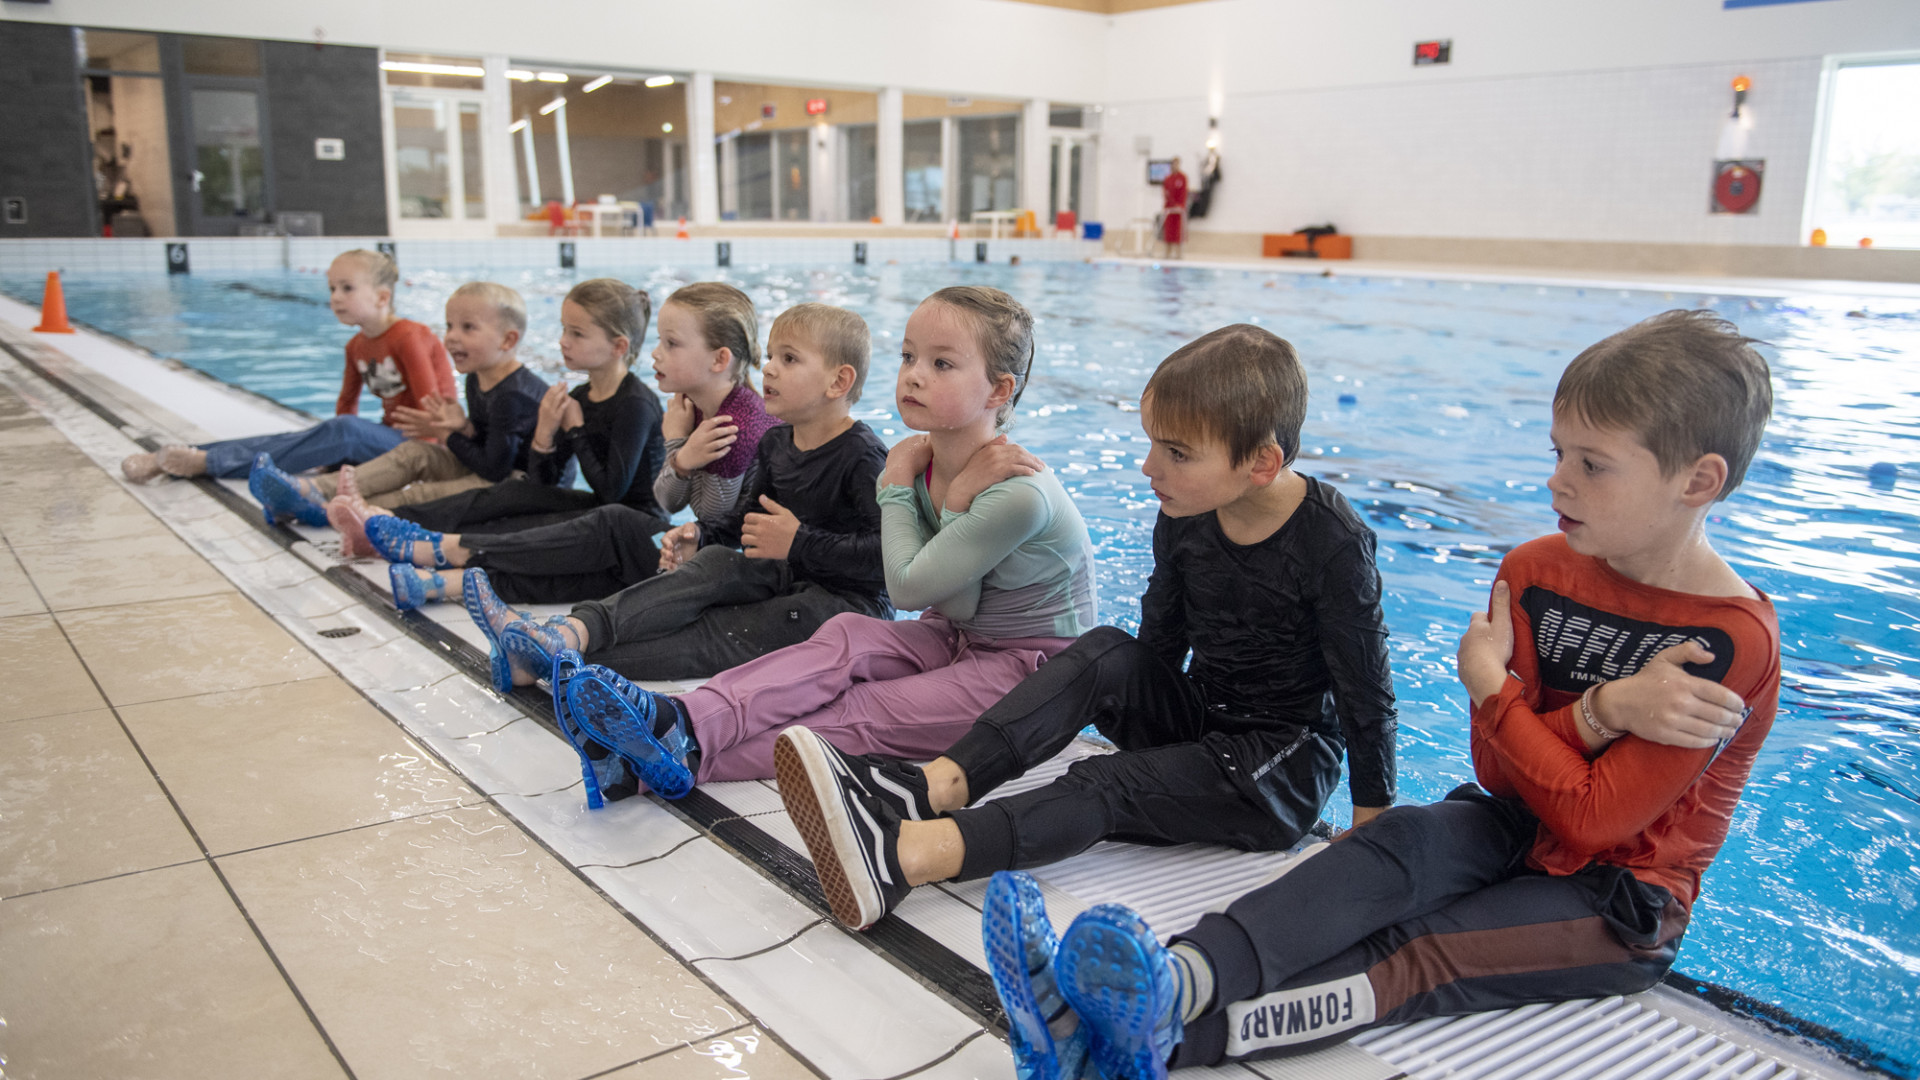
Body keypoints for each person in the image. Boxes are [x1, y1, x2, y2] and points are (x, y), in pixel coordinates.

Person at [978, 309, 1779, 1080]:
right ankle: (1168, 979)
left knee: (1418, 950)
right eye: (1559, 451)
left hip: (1617, 898)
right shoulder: (1539, 571)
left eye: (1591, 464)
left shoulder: (1727, 642)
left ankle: (1156, 1045)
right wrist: (1603, 713)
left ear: (1698, 481)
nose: (1556, 479)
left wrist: (1494, 690)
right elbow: (1503, 775)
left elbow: (1593, 817)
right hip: (1503, 818)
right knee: (1377, 857)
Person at [773, 324, 1397, 932]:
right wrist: (1132, 708)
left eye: (1177, 453)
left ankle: (908, 857)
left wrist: (1370, 825)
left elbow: (1365, 692)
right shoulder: (1187, 510)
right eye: (1154, 442)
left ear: (1261, 462)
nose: (1151, 467)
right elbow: (1153, 648)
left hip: (1277, 767)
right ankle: (927, 787)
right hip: (1204, 721)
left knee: (1105, 781)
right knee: (1103, 649)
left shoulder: (1331, 541)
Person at [534, 286, 1098, 808]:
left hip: (1028, 675)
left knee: (863, 710)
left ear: (1000, 390)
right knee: (845, 640)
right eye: (907, 357)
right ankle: (676, 721)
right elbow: (953, 609)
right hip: (954, 635)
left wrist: (909, 493)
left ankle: (674, 761)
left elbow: (911, 590)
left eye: (941, 363)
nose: (914, 376)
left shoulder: (1015, 492)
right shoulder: (922, 460)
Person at [358, 283, 776, 610]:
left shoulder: (691, 414)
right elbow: (546, 483)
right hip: (678, 538)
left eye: (671, 343)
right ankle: (447, 575)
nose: (656, 352)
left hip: (676, 538)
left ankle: (448, 552)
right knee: (527, 504)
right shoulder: (689, 408)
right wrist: (544, 434)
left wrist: (678, 450)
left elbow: (681, 509)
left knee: (600, 532)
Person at [246, 282, 545, 552]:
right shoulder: (479, 376)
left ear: (507, 341)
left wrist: (448, 435)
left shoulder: (512, 396)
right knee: (414, 453)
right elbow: (490, 446)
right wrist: (464, 429)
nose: (451, 337)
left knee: (420, 494)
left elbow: (494, 470)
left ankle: (327, 509)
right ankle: (311, 490)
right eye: (449, 325)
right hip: (492, 469)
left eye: (468, 328)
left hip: (515, 486)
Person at [122, 249, 455, 487]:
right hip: (389, 439)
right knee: (306, 436)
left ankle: (206, 463)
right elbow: (346, 405)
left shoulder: (410, 336)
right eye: (332, 288)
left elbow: (433, 411)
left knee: (343, 432)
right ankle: (184, 457)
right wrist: (335, 457)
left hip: (428, 448)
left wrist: (411, 465)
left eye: (347, 288)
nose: (335, 297)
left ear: (382, 298)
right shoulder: (356, 345)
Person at [372, 278, 663, 538]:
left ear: (618, 346)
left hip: (635, 524)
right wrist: (544, 435)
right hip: (600, 511)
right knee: (511, 494)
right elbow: (541, 484)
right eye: (564, 330)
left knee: (518, 529)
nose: (562, 341)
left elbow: (612, 492)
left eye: (576, 333)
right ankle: (391, 519)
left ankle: (436, 543)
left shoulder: (634, 404)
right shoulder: (580, 397)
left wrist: (575, 429)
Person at [1158, 157, 1188, 260]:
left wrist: (1180, 206)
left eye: (1177, 164)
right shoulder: (1168, 178)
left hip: (1178, 210)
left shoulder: (1182, 177)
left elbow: (1183, 193)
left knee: (1178, 233)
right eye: (1174, 164)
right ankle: (1167, 253)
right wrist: (1167, 206)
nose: (1175, 166)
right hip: (1169, 210)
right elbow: (1165, 193)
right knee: (1168, 233)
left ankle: (1178, 254)